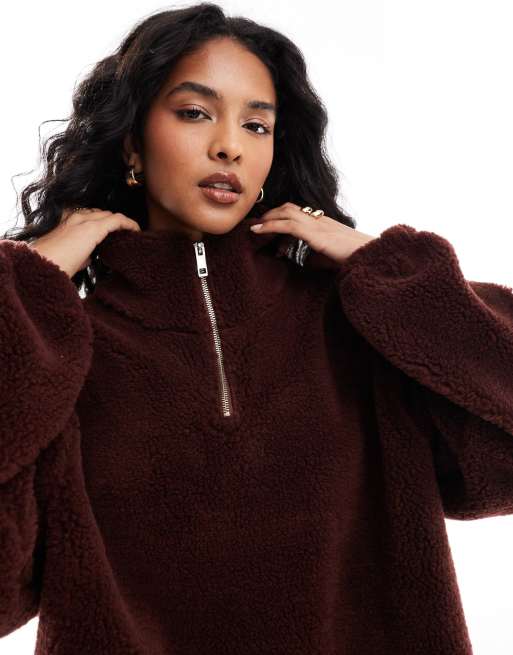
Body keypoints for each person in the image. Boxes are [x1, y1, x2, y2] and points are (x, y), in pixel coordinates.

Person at [1, 4, 513, 654]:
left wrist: (390, 269)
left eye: (256, 124)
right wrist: (23, 287)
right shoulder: (66, 355)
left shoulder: (358, 328)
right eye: (195, 113)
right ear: (131, 141)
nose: (230, 146)